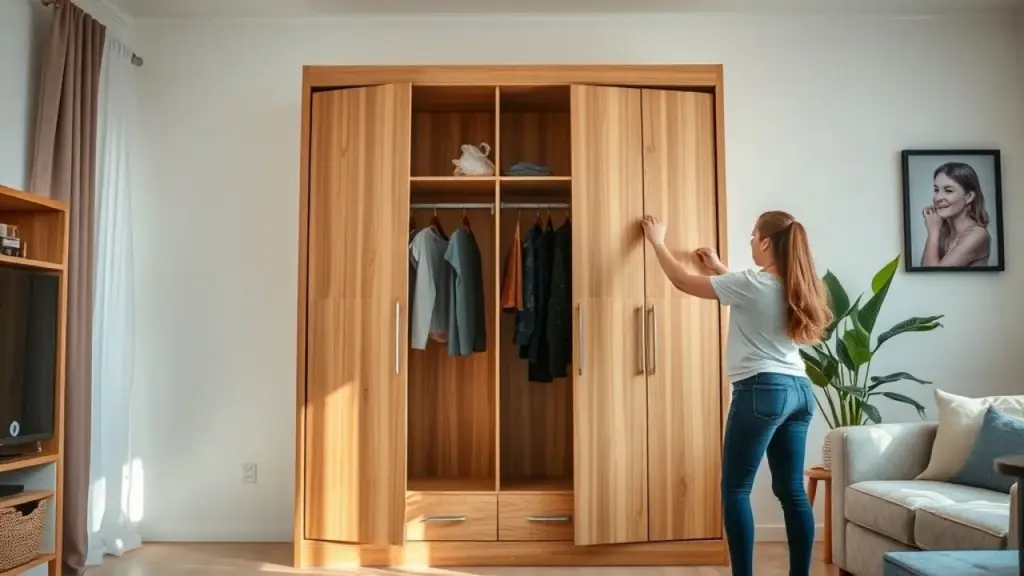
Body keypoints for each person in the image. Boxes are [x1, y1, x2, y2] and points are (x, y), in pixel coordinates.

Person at [641, 211, 831, 576]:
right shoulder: (797, 285)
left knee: (736, 490)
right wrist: (717, 266)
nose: (750, 241)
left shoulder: (752, 284)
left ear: (764, 242)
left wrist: (657, 241)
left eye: (752, 235)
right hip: (800, 392)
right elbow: (746, 295)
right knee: (791, 491)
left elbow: (681, 281)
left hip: (762, 390)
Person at [920, 161, 991, 267]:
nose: (938, 198)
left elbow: (932, 276)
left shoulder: (978, 235)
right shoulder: (944, 231)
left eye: (948, 191)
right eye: (936, 190)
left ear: (969, 197)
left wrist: (933, 231)